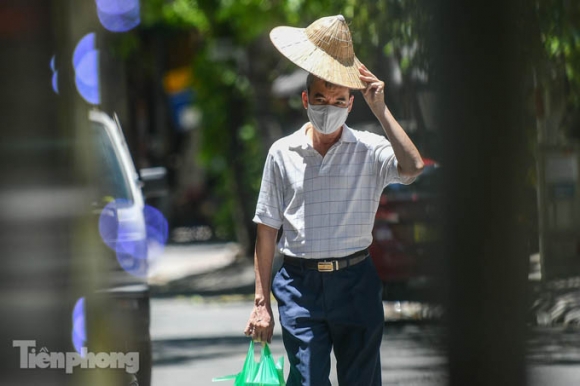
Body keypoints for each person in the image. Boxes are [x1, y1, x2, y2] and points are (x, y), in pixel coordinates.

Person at [244, 15, 424, 386]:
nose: (330, 107)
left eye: (339, 100)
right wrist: (261, 304)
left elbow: (413, 166)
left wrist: (381, 109)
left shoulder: (371, 150)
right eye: (322, 99)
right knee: (308, 379)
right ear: (306, 100)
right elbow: (266, 232)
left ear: (350, 104)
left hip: (356, 281)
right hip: (298, 284)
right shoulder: (282, 153)